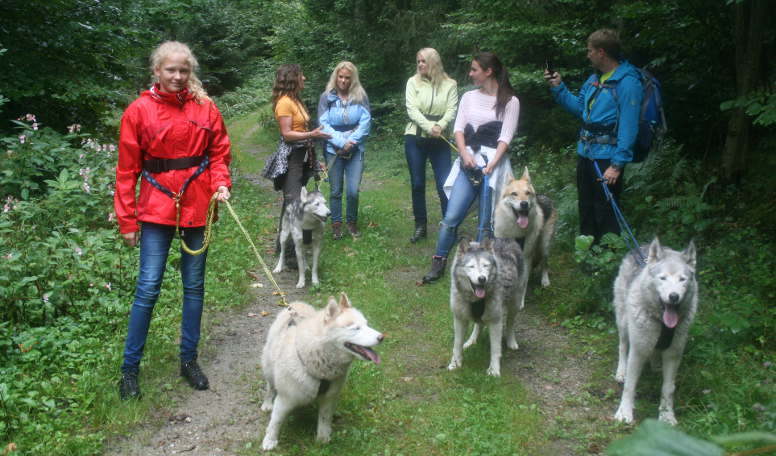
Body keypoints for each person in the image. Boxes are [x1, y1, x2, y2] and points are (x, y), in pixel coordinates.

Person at [114, 41, 232, 400]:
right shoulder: (138, 111)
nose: (178, 76)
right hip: (156, 208)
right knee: (148, 287)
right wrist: (128, 221)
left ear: (190, 71)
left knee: (194, 286)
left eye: (184, 70)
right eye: (171, 70)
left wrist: (221, 184)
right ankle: (129, 371)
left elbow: (219, 153)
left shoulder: (205, 108)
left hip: (197, 205)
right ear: (157, 71)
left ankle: (188, 360)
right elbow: (126, 171)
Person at [422, 51, 520, 283]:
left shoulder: (510, 101)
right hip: (468, 163)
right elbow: (458, 128)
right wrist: (465, 154)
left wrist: (491, 165)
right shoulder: (468, 97)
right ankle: (439, 261)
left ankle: (483, 270)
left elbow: (505, 137)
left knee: (486, 223)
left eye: (475, 69)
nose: (470, 74)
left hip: (493, 167)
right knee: (452, 215)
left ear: (489, 72)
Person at [545, 28, 642, 243]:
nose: (587, 55)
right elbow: (581, 110)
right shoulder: (594, 79)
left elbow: (629, 126)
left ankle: (607, 259)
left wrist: (617, 165)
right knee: (586, 205)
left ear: (601, 52)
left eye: (589, 51)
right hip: (586, 152)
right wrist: (558, 88)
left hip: (608, 157)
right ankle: (587, 253)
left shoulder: (628, 82)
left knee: (605, 208)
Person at [262, 64, 331, 258]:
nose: (305, 78)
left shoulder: (295, 100)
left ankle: (290, 247)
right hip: (291, 159)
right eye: (302, 75)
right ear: (294, 78)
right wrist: (312, 134)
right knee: (294, 203)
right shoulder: (285, 102)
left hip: (303, 157)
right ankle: (292, 254)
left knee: (296, 202)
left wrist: (315, 161)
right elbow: (287, 134)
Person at [404, 48, 458, 243]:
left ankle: (449, 225)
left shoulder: (450, 84)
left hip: (440, 139)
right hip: (415, 138)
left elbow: (452, 109)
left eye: (423, 61)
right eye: (418, 61)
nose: (420, 65)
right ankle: (420, 226)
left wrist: (440, 126)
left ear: (433, 62)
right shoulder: (412, 82)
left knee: (445, 183)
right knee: (417, 183)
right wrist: (429, 127)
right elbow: (412, 110)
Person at [317, 61, 371, 239]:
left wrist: (351, 141)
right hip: (333, 149)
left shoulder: (360, 96)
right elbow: (323, 125)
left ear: (352, 79)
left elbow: (366, 122)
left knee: (353, 190)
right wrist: (341, 142)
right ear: (335, 77)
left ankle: (352, 222)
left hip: (355, 149)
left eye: (347, 78)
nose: (343, 81)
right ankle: (336, 224)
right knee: (335, 190)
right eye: (340, 77)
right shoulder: (327, 97)